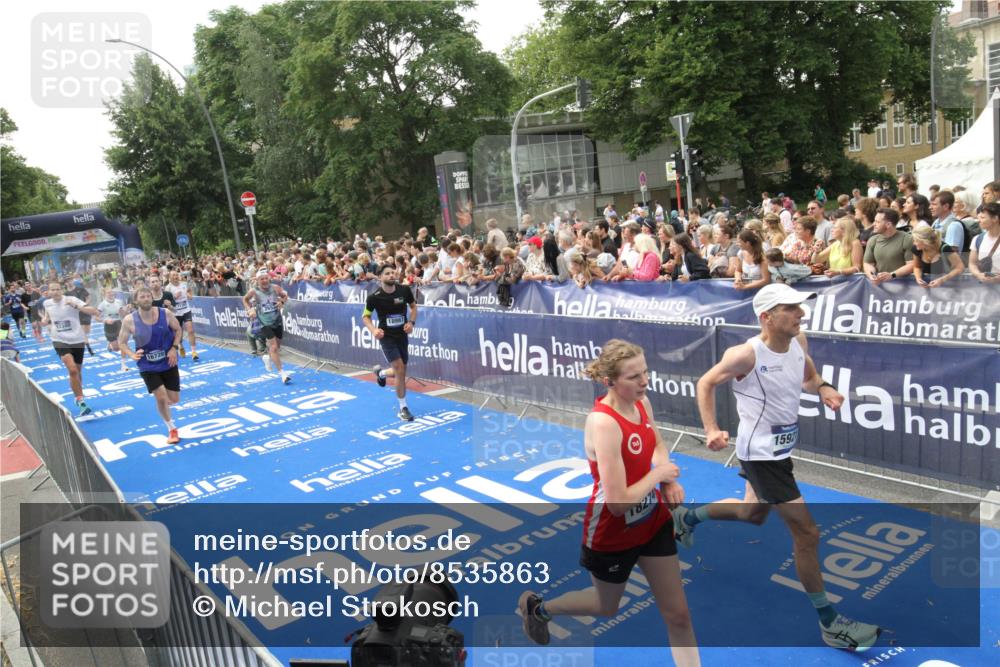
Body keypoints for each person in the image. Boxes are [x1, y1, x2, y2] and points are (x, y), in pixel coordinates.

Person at [677, 283, 881, 651]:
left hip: (779, 451)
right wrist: (710, 428)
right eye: (792, 309)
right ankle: (830, 623)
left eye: (801, 308)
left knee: (752, 513)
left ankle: (686, 519)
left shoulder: (799, 344)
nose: (801, 314)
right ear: (766, 317)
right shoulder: (745, 354)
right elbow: (705, 382)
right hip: (760, 455)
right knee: (807, 534)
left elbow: (810, 377)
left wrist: (825, 390)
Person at [518, 340, 700, 666]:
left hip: (652, 521)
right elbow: (617, 502)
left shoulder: (642, 402)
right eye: (634, 377)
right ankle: (539, 609)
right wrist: (659, 475)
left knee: (679, 616)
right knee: (606, 607)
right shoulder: (603, 422)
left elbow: (656, 442)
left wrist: (668, 478)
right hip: (612, 530)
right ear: (610, 381)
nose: (644, 381)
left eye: (645, 372)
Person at [118, 286, 183, 445]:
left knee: (173, 399)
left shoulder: (165, 313)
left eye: (148, 296)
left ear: (151, 298)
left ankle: (165, 406)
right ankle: (171, 428)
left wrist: (174, 348)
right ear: (136, 300)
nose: (146, 299)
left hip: (168, 361)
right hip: (147, 365)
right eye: (142, 297)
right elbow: (121, 343)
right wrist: (132, 355)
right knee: (160, 396)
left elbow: (178, 329)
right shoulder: (129, 320)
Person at [40, 281, 101, 416]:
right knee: (72, 369)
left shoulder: (71, 299)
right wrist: (44, 321)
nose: (55, 292)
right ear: (49, 292)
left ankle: (80, 396)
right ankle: (80, 401)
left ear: (62, 290)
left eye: (57, 289)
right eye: (52, 290)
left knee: (77, 372)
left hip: (77, 339)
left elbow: (93, 311)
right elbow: (47, 317)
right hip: (59, 339)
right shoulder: (47, 303)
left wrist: (76, 306)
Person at [365, 264, 418, 421]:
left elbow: (414, 307)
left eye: (393, 272)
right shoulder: (374, 296)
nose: (391, 275)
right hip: (386, 337)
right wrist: (374, 330)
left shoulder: (404, 290)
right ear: (380, 277)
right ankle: (403, 408)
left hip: (401, 335)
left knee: (400, 371)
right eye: (387, 273)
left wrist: (411, 323)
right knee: (400, 368)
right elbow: (365, 316)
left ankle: (381, 373)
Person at [242, 270, 291, 383]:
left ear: (269, 278)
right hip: (264, 322)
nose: (264, 281)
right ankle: (282, 373)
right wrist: (250, 309)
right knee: (273, 347)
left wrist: (282, 302)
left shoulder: (275, 288)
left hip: (277, 320)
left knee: (277, 347)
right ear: (258, 281)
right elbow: (244, 299)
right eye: (261, 279)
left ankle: (267, 358)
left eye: (266, 278)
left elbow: (285, 295)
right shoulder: (254, 291)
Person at [863, 208, 914, 285]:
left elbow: (911, 264)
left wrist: (892, 275)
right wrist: (872, 275)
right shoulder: (872, 240)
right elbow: (868, 263)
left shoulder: (907, 239)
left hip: (904, 287)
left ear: (888, 224)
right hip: (881, 287)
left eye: (877, 222)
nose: (874, 224)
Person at [166, 270, 199, 360]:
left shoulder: (184, 284)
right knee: (178, 332)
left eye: (176, 275)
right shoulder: (168, 288)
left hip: (186, 310)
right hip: (175, 313)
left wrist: (189, 295)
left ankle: (194, 352)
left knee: (190, 330)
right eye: (173, 275)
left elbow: (189, 291)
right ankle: (180, 346)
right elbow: (167, 303)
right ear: (170, 278)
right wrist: (174, 298)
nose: (176, 276)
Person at [97, 288, 127, 371]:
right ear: (104, 294)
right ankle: (110, 344)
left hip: (119, 324)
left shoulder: (119, 302)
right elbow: (96, 317)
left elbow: (124, 314)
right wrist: (105, 320)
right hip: (109, 326)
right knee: (116, 348)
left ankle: (123, 364)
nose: (110, 294)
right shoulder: (102, 305)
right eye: (108, 293)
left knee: (122, 344)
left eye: (111, 292)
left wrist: (125, 310)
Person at [970, 202, 1000, 284]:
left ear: (995, 218)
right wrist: (979, 275)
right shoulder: (977, 239)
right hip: (984, 289)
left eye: (982, 217)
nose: (978, 221)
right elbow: (972, 263)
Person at [67, 278, 95, 356]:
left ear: (72, 281)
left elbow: (89, 296)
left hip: (85, 311)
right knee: (83, 333)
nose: (69, 282)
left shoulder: (81, 289)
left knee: (87, 331)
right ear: (65, 283)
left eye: (69, 280)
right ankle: (89, 348)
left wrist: (85, 304)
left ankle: (79, 339)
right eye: (67, 281)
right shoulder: (66, 293)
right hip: (77, 314)